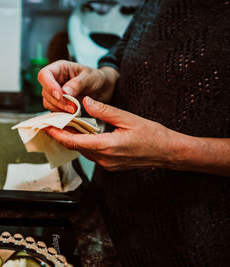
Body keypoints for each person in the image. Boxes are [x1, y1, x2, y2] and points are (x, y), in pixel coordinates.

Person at [38, 0, 230, 266]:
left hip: (200, 243)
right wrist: (102, 79)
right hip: (116, 217)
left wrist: (170, 151)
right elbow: (125, 49)